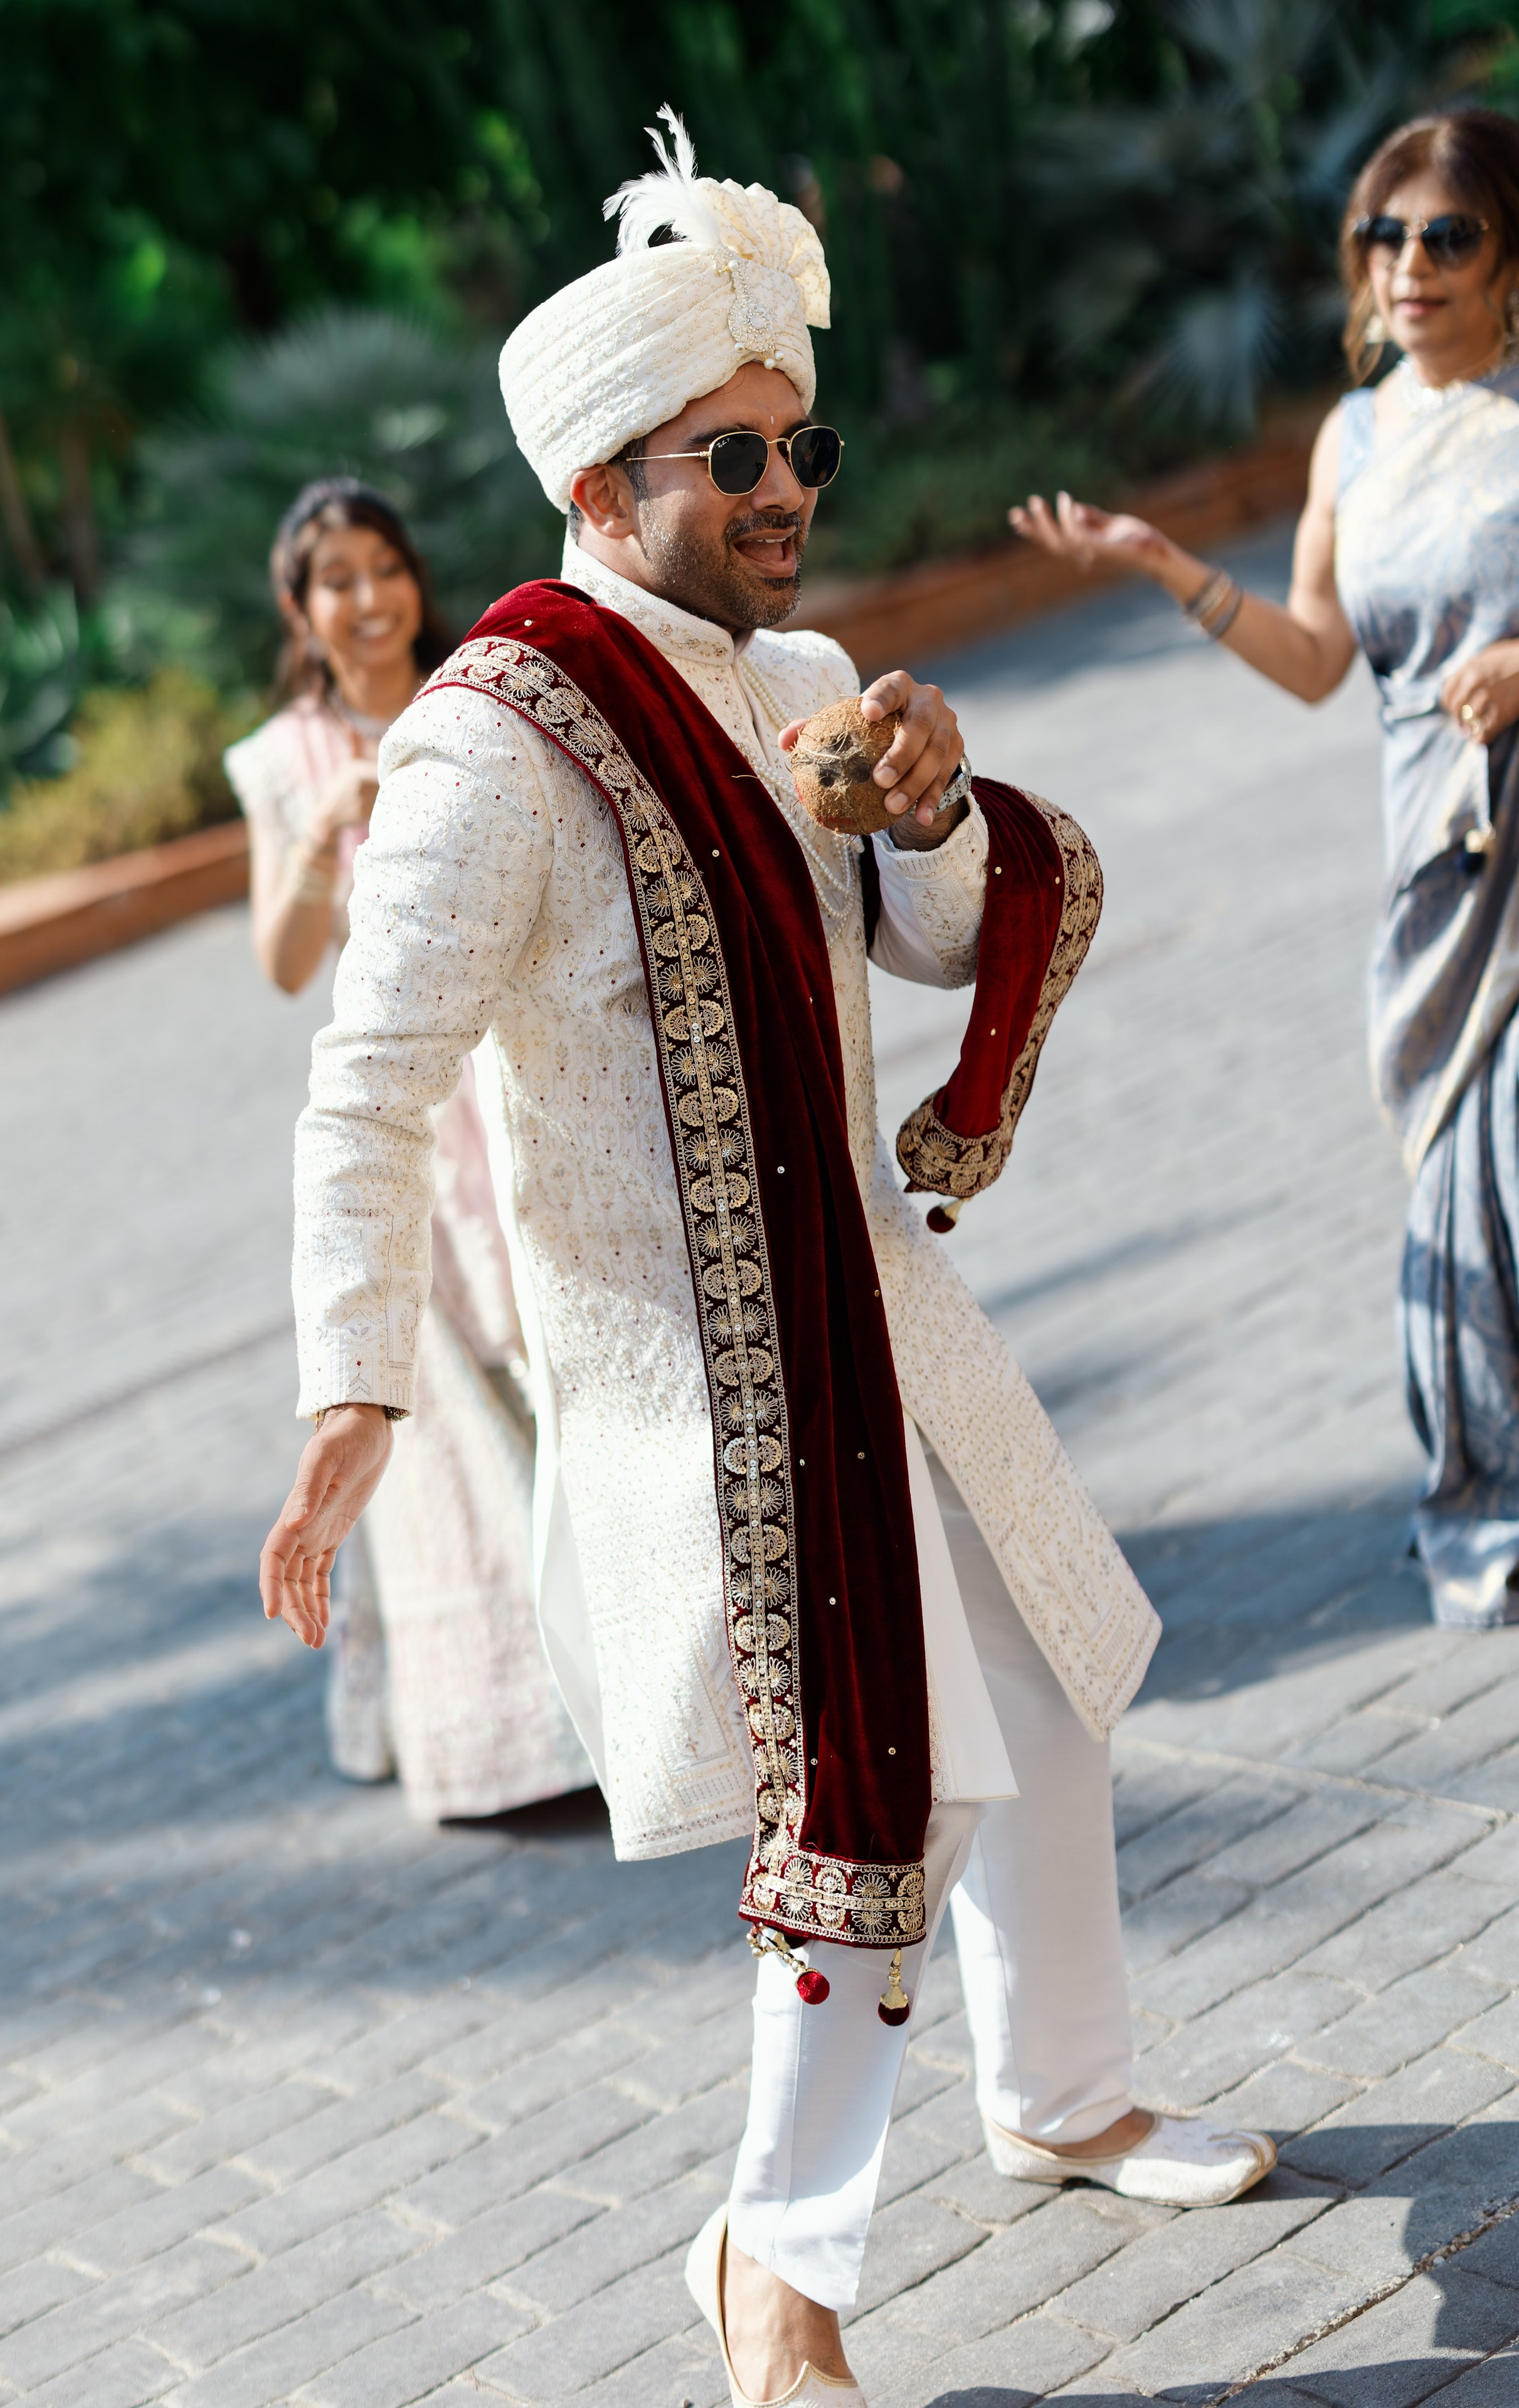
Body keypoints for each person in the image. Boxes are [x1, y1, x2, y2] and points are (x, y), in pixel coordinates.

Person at [259, 116, 1274, 2408]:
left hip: (877, 1316)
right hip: (705, 1377)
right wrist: (351, 1389)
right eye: (736, 457)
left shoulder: (795, 662)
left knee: (1044, 1687)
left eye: (801, 445)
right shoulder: (493, 743)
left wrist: (935, 810)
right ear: (601, 481)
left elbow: (919, 944)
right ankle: (774, 2269)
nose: (789, 488)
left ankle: (1066, 2092)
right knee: (875, 1792)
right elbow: (368, 1084)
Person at [1013, 108, 1519, 1632]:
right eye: (1382, 235)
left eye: (1446, 235)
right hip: (1435, 858)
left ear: (1507, 260)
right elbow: (1311, 660)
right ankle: (1488, 1496)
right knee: (1460, 1187)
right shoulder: (1350, 438)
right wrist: (1162, 564)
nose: (1407, 264)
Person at [228, 477, 591, 1817]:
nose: (370, 599)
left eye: (385, 568)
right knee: (448, 1424)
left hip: (523, 1076)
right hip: (408, 1115)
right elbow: (282, 965)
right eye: (339, 581)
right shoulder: (282, 761)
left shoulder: (476, 691)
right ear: (298, 608)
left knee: (565, 1358)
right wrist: (327, 822)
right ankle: (517, 1723)